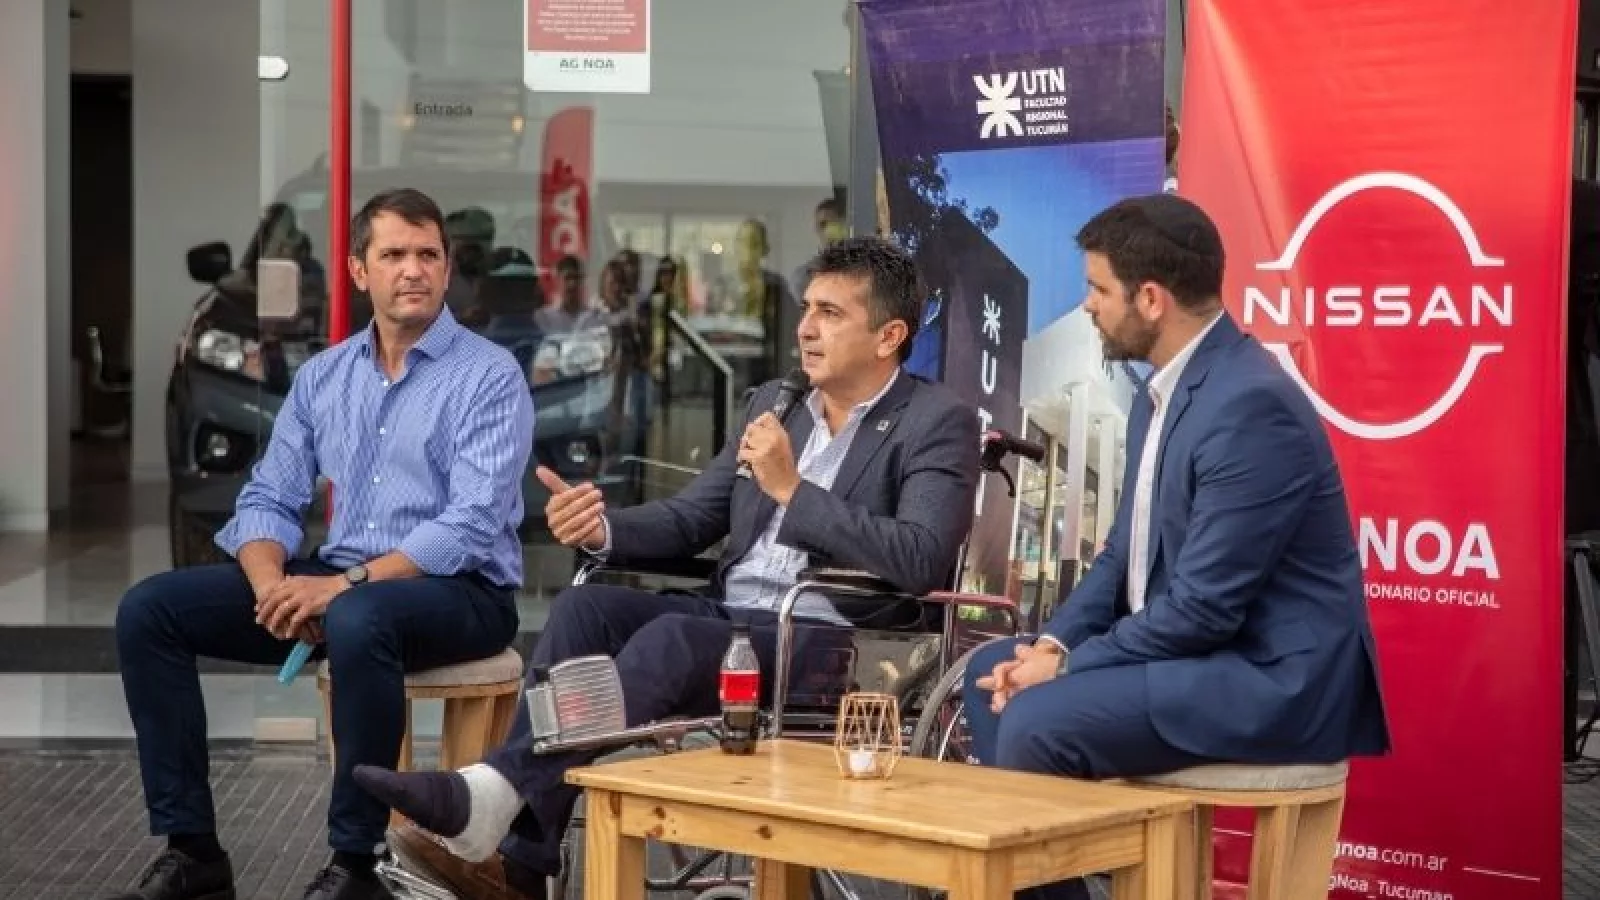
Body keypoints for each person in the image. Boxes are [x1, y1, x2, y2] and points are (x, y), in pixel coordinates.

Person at [352, 236, 981, 900]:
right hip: (735, 618)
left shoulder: (936, 421)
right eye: (806, 308)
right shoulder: (778, 403)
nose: (805, 327)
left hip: (838, 643)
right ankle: (522, 860)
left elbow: (920, 558)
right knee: (584, 610)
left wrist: (793, 491)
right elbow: (693, 517)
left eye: (829, 312)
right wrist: (602, 529)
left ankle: (494, 801)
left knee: (674, 639)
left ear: (888, 336)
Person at [110, 188, 536, 900]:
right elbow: (268, 498)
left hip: (464, 592)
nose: (413, 269)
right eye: (393, 254)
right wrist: (274, 588)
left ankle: (357, 862)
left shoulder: (488, 376)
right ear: (359, 270)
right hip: (345, 585)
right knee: (149, 611)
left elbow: (469, 525)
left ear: (447, 267)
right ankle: (193, 852)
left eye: (428, 254)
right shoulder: (324, 377)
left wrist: (340, 589)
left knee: (358, 617)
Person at [963, 194, 1390, 900]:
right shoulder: (1160, 394)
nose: (1088, 305)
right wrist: (1050, 646)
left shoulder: (1250, 405)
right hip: (1196, 660)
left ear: (1151, 299)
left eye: (1099, 289)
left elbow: (1203, 611)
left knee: (1036, 721)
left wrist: (1064, 669)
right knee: (989, 674)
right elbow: (1120, 557)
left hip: (1267, 680)